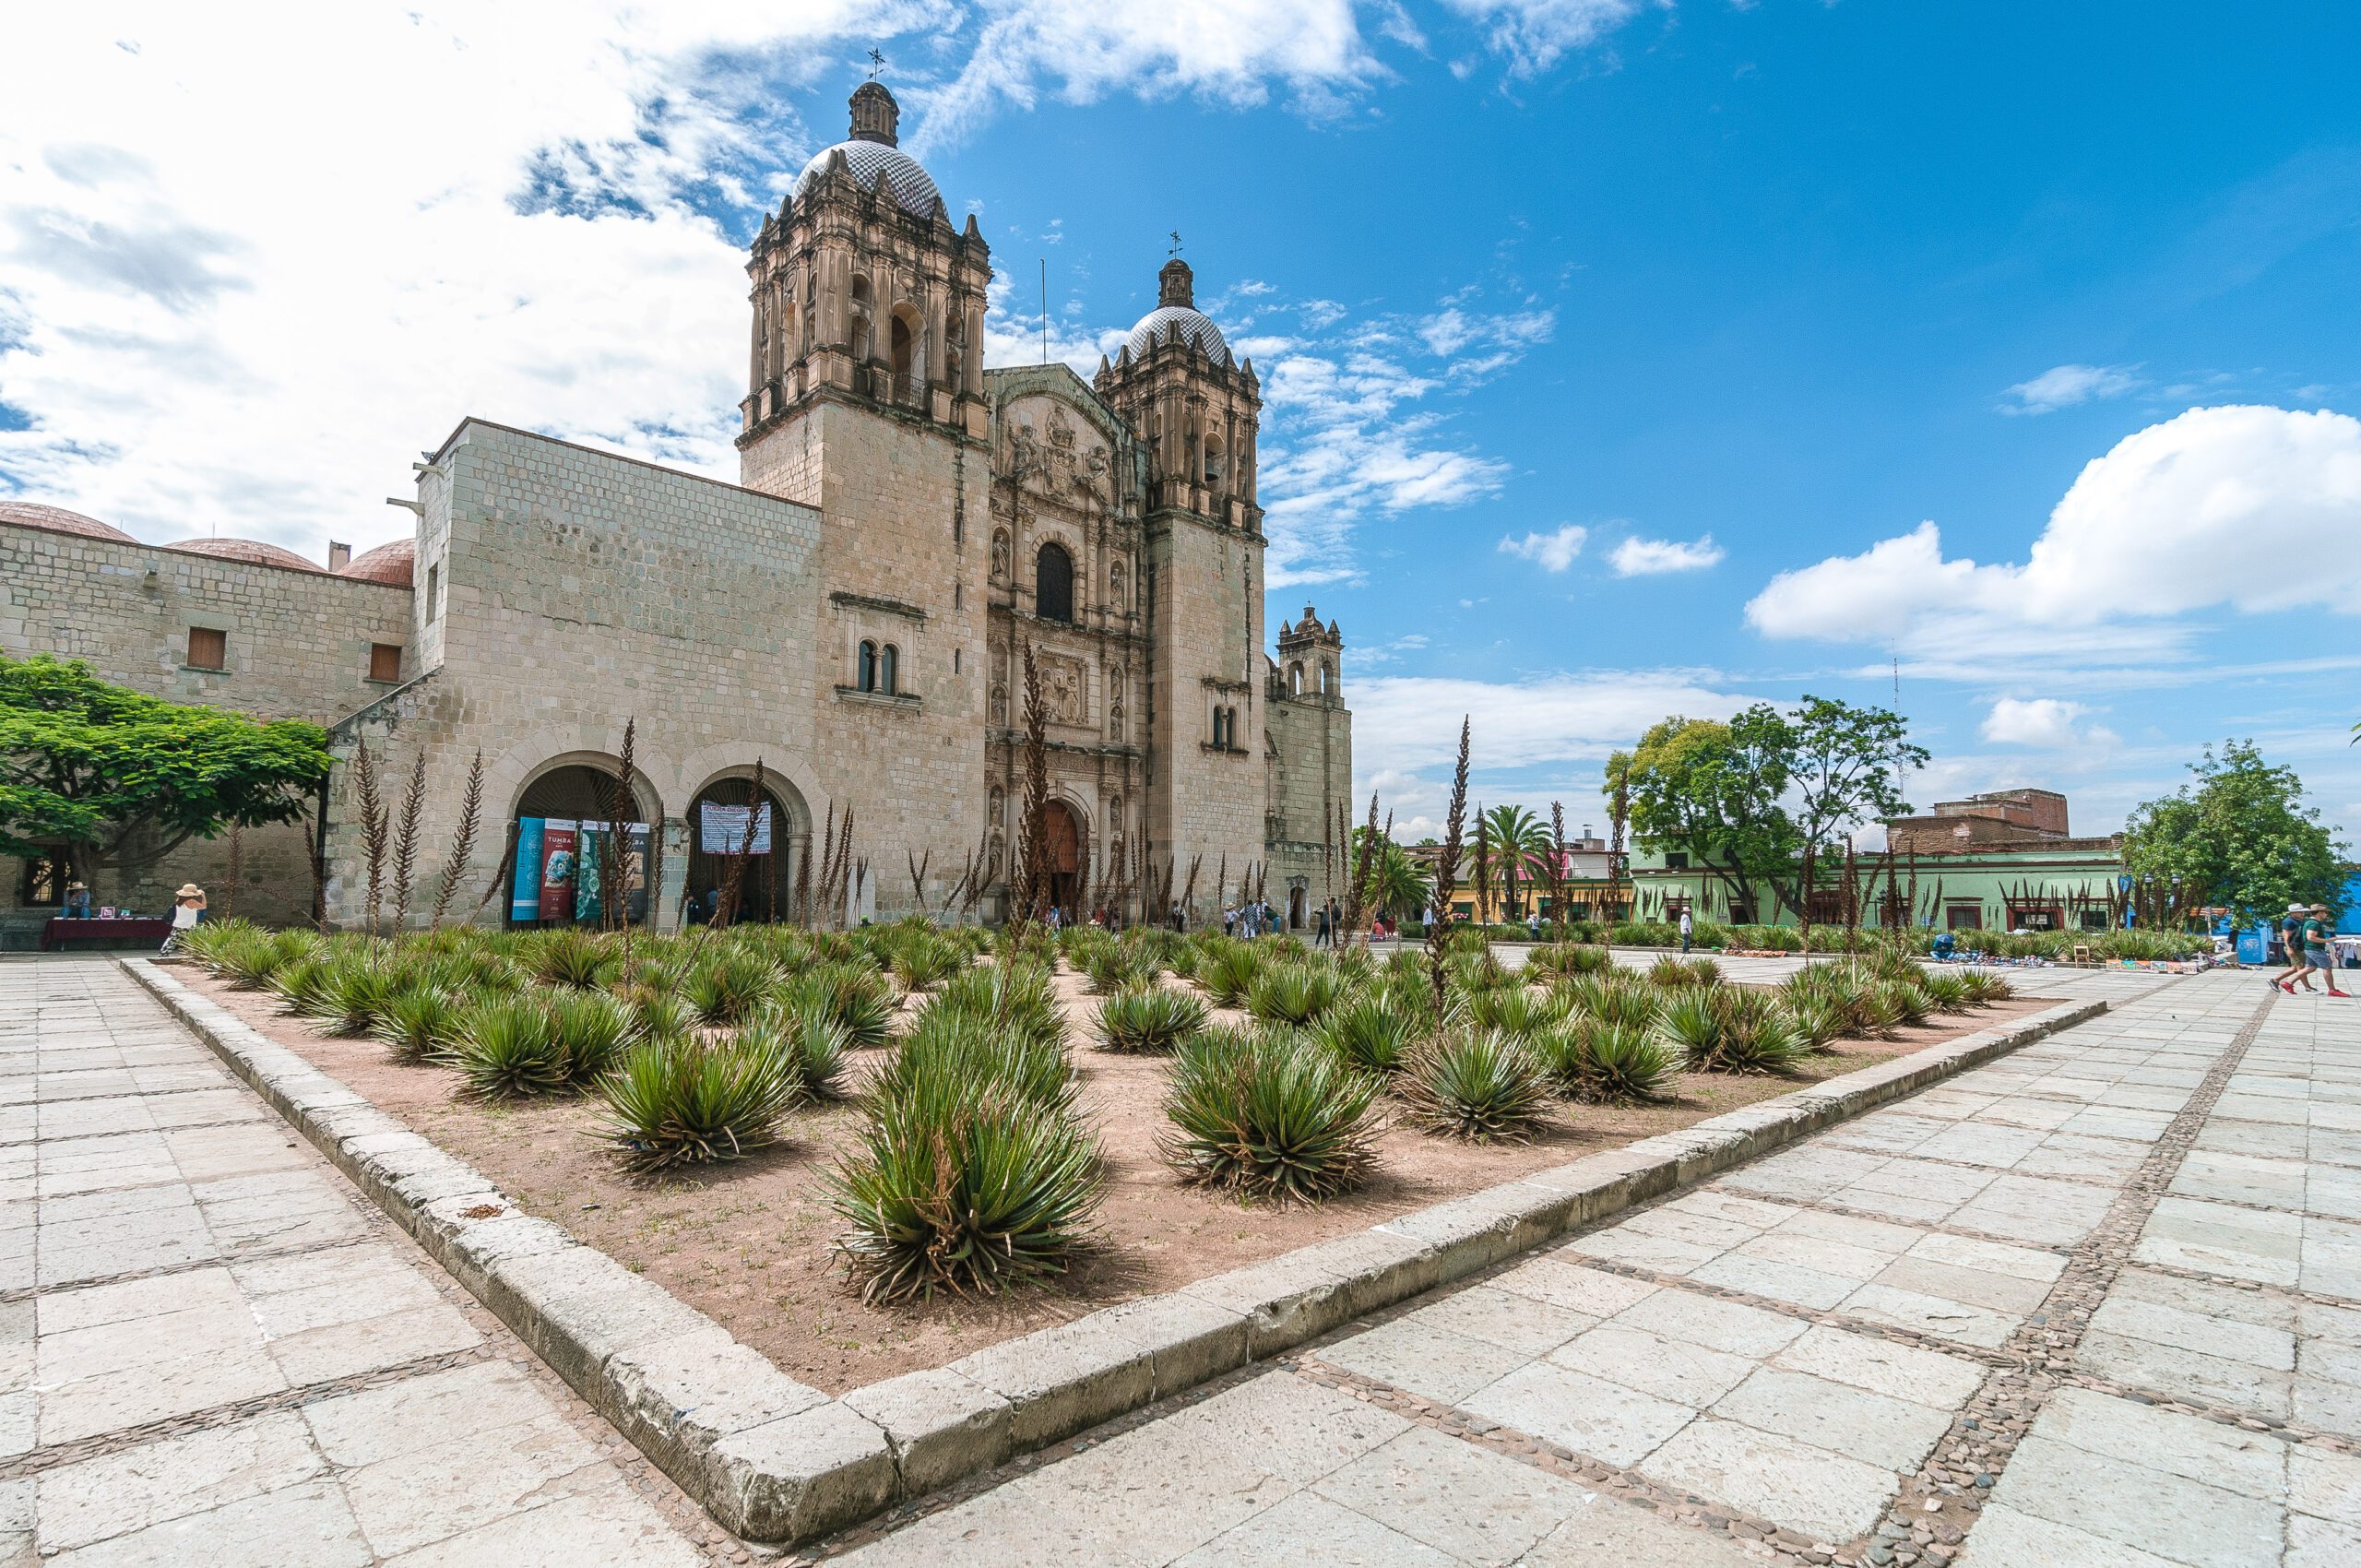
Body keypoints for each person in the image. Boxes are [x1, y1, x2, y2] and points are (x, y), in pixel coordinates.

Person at [2284, 905, 2348, 997]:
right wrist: (2327, 940)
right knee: (2327, 968)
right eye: (2325, 912)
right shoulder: (2314, 923)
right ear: (2320, 913)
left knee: (2310, 968)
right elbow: (2310, 937)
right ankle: (2332, 990)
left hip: (2310, 948)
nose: (2326, 914)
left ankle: (2288, 983)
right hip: (2315, 949)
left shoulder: (2309, 921)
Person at [160, 883, 206, 956]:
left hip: (178, 924)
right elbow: (203, 906)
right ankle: (196, 955)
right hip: (189, 925)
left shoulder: (179, 900)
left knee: (171, 941)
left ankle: (163, 954)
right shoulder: (191, 901)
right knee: (195, 941)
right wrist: (203, 896)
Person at [2279, 903, 2309, 988]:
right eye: (2300, 912)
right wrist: (2289, 948)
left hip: (2298, 947)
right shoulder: (2288, 921)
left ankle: (2275, 980)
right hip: (2292, 946)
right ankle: (2307, 987)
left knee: (2295, 968)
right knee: (2301, 968)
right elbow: (2286, 936)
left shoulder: (2300, 921)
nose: (2302, 913)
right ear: (2292, 913)